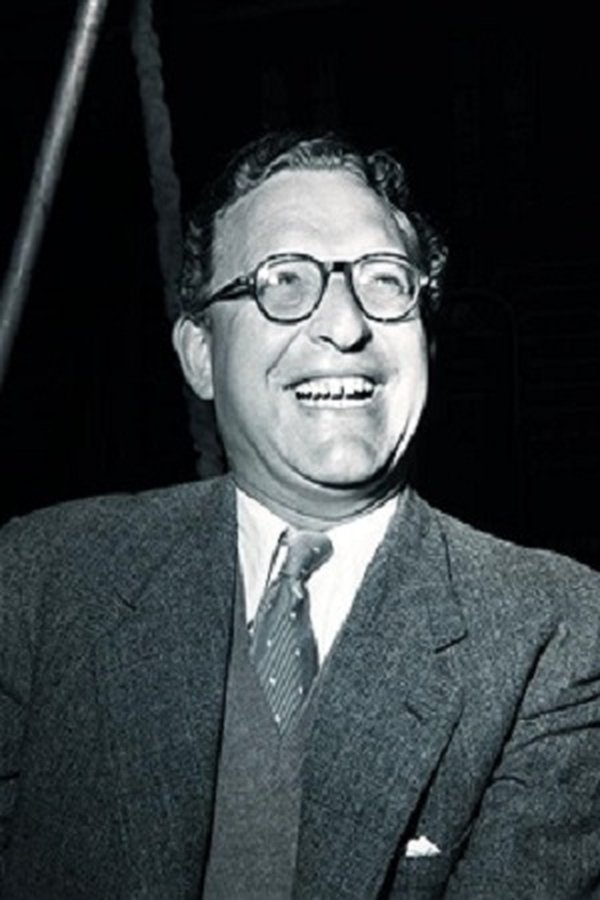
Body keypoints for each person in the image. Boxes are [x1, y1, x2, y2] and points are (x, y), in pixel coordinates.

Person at [1, 132, 599, 899]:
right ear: (200, 353)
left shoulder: (553, 633)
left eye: (385, 281)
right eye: (284, 280)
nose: (345, 326)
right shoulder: (41, 582)